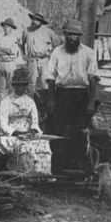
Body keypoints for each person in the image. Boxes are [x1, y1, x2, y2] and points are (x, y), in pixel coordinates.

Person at [46, 19, 99, 169]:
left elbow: (93, 78)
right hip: (62, 94)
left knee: (79, 131)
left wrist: (91, 102)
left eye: (75, 35)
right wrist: (51, 99)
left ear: (80, 36)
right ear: (65, 34)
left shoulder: (88, 53)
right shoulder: (56, 52)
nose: (72, 38)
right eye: (69, 34)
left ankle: (78, 165)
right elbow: (50, 77)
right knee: (60, 130)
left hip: (81, 95)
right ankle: (59, 166)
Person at [0, 67, 42, 154]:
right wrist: (14, 132)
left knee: (40, 144)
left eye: (23, 85)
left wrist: (33, 129)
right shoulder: (6, 101)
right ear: (13, 86)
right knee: (19, 145)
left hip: (27, 131)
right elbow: (3, 124)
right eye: (18, 85)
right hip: (10, 132)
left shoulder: (30, 101)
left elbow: (35, 121)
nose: (20, 88)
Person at [22, 12, 62, 97]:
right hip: (31, 60)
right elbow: (21, 44)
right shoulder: (27, 30)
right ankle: (30, 103)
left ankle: (46, 103)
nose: (34, 21)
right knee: (31, 83)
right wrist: (23, 55)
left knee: (45, 82)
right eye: (33, 19)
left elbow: (59, 43)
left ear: (41, 22)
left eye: (37, 20)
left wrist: (52, 54)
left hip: (44, 60)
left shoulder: (48, 32)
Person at [0, 17, 22, 99]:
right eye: (5, 27)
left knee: (11, 87)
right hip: (0, 64)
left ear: (11, 28)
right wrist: (6, 51)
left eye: (8, 27)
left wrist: (1, 49)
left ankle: (11, 106)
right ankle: (2, 106)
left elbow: (12, 52)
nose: (6, 29)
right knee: (1, 88)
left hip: (10, 64)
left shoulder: (14, 39)